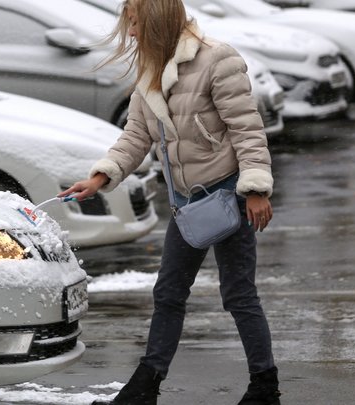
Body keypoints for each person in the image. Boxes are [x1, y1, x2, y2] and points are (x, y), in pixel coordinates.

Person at [58, 1, 280, 404]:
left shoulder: (218, 59)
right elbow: (136, 135)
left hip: (229, 196)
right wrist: (100, 177)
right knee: (169, 293)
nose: (131, 34)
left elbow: (247, 129)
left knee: (238, 293)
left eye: (136, 24)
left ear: (157, 21)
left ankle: (265, 387)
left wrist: (257, 189)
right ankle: (146, 386)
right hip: (186, 203)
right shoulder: (150, 70)